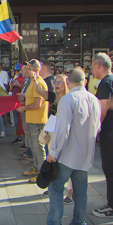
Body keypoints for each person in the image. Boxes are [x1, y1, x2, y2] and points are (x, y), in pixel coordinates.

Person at [46, 69, 101, 225]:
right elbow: (97, 127)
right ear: (85, 81)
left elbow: (63, 129)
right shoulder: (94, 100)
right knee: (81, 191)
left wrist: (54, 152)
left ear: (68, 82)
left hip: (67, 154)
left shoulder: (68, 99)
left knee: (56, 187)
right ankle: (79, 221)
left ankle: (55, 222)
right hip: (85, 154)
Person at [16, 59, 48, 183]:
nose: (27, 70)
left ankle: (42, 173)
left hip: (37, 121)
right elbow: (32, 100)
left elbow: (38, 104)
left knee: (38, 148)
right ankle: (36, 168)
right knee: (33, 147)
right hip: (31, 120)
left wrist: (24, 107)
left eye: (29, 68)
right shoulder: (31, 82)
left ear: (36, 69)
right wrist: (23, 101)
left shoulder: (39, 83)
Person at [92, 53, 113, 218]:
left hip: (109, 133)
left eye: (92, 66)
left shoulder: (105, 83)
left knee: (109, 168)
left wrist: (94, 130)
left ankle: (111, 206)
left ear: (98, 65)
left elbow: (103, 110)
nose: (92, 70)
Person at [10, 63, 26, 144]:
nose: (17, 72)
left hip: (21, 102)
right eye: (16, 70)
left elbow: (25, 91)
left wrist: (19, 85)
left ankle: (23, 139)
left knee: (21, 121)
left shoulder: (25, 79)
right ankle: (18, 137)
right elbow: (10, 89)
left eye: (18, 70)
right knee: (16, 120)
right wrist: (12, 86)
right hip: (14, 100)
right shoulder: (15, 77)